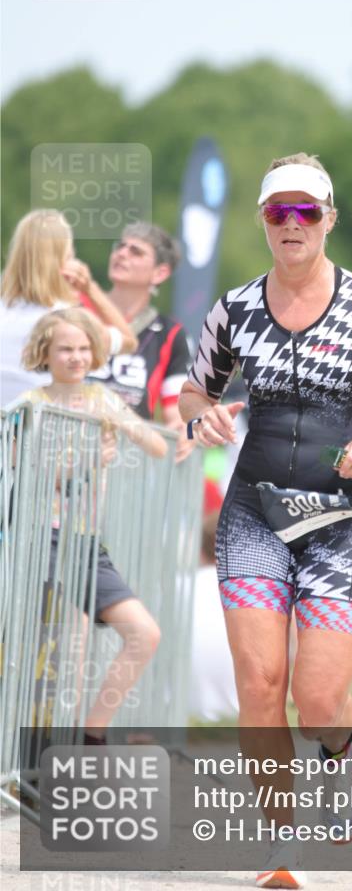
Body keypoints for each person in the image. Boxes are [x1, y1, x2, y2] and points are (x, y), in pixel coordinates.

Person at [179, 153, 352, 888]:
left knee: (318, 699)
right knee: (261, 683)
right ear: (263, 221)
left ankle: (343, 755)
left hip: (343, 514)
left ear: (329, 218)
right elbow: (194, 393)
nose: (291, 223)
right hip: (255, 514)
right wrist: (201, 419)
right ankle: (280, 845)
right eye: (277, 211)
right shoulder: (234, 308)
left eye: (306, 211)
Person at [13, 307, 167, 744]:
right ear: (45, 352)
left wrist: (124, 427)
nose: (77, 357)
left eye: (84, 348)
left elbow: (156, 446)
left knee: (143, 633)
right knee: (56, 650)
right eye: (66, 349)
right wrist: (81, 462)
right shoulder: (28, 406)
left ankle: (91, 736)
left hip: (84, 541)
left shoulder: (101, 398)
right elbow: (18, 472)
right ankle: (34, 757)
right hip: (39, 537)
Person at [0, 209, 137, 408]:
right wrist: (90, 289)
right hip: (41, 423)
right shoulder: (68, 321)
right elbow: (129, 342)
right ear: (65, 257)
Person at [85, 221, 193, 459]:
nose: (122, 253)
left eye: (136, 251)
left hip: (130, 462)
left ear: (160, 273)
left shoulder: (170, 333)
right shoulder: (78, 312)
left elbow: (176, 411)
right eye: (120, 246)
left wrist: (184, 429)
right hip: (66, 451)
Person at [188, 512, 239, 722]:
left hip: (182, 712)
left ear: (200, 552)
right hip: (241, 712)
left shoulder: (178, 587)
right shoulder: (256, 596)